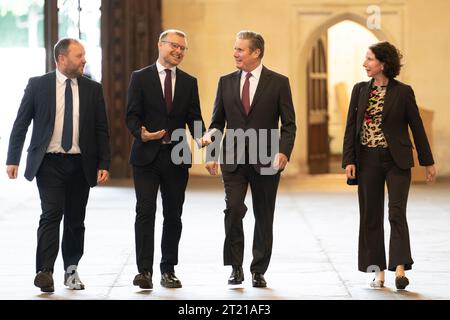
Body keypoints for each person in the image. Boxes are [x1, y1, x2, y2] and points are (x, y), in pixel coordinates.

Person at [6, 38, 111, 293]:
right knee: (51, 214)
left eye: (84, 55)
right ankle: (45, 271)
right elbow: (21, 123)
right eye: (79, 55)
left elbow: (101, 130)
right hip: (48, 162)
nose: (84, 60)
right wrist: (13, 158)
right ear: (61, 59)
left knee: (76, 219)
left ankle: (71, 271)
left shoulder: (92, 89)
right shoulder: (37, 85)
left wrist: (104, 163)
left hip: (80, 163)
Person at [204, 30, 296, 288]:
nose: (235, 53)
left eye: (240, 49)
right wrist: (211, 153)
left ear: (256, 52)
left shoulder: (278, 82)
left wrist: (284, 151)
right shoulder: (225, 82)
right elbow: (216, 123)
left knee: (264, 215)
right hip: (233, 159)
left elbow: (289, 124)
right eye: (235, 49)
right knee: (233, 210)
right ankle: (235, 267)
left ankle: (258, 269)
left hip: (267, 160)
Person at [342, 41, 436, 290]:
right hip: (368, 160)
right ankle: (378, 272)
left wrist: (428, 162)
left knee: (396, 213)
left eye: (369, 59)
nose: (365, 63)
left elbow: (417, 127)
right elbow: (351, 127)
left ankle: (400, 270)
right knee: (370, 215)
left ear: (383, 63)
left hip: (397, 160)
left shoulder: (403, 92)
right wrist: (349, 159)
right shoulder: (360, 90)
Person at [126, 29, 207, 290]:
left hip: (177, 155)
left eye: (183, 48)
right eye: (174, 46)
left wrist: (201, 137)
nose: (179, 51)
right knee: (145, 211)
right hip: (146, 156)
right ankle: (144, 272)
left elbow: (195, 118)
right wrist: (142, 133)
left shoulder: (188, 82)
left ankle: (168, 269)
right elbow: (131, 116)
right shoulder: (139, 78)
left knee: (174, 215)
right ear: (160, 45)